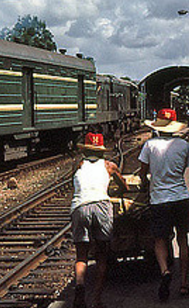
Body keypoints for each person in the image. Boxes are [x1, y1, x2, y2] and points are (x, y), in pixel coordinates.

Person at [138, 109, 189, 301]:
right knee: (183, 239)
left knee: (160, 240)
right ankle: (184, 284)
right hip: (181, 197)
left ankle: (165, 271)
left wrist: (146, 183)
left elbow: (143, 172)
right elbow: (183, 170)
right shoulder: (183, 145)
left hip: (159, 200)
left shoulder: (149, 145)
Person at [71, 132, 129, 308]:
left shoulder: (79, 164)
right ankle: (96, 300)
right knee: (102, 256)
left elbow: (74, 183)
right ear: (102, 151)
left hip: (80, 206)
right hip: (102, 207)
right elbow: (124, 187)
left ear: (86, 151)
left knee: (81, 256)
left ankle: (80, 285)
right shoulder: (109, 165)